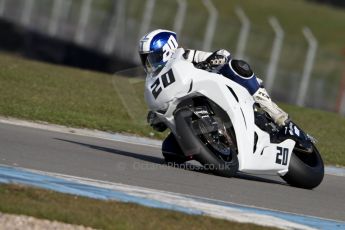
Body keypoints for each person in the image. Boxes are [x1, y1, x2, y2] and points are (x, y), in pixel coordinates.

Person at [139, 29, 312, 151]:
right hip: (193, 111)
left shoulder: (184, 55)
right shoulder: (157, 80)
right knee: (169, 151)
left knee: (238, 66)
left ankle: (280, 118)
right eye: (146, 60)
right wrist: (158, 115)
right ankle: (213, 150)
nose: (150, 64)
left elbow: (223, 54)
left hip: (224, 95)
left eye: (152, 58)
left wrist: (211, 61)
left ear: (167, 49)